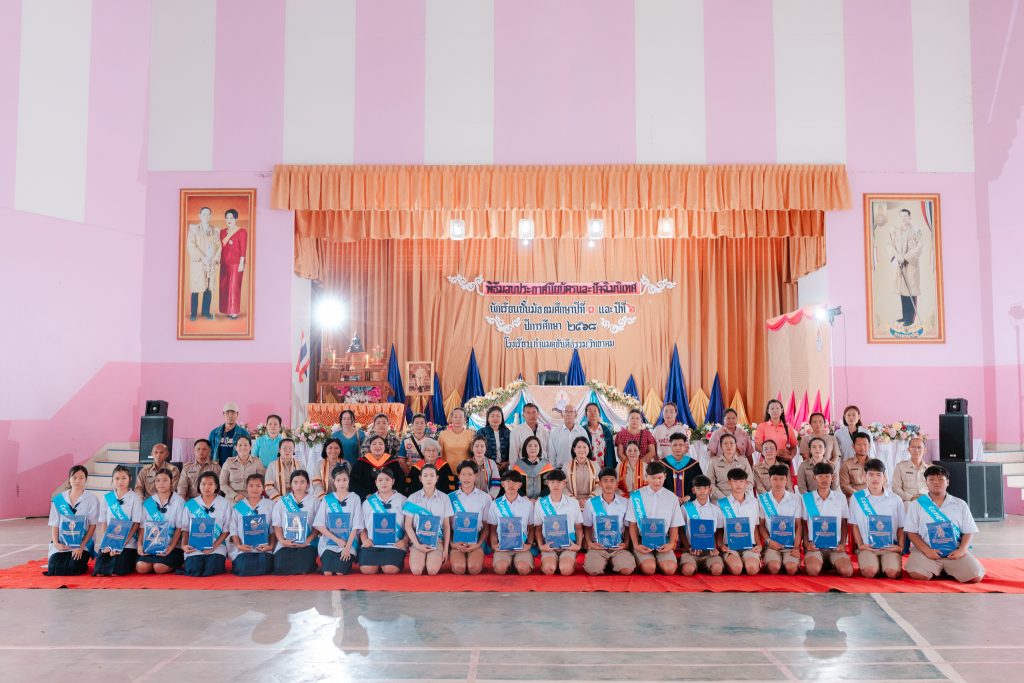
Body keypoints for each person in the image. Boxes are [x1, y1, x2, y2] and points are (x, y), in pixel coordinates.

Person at [904, 464, 984, 583]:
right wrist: (927, 551)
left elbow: (969, 531)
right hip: (926, 551)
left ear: (947, 482)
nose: (936, 482)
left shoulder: (960, 504)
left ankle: (945, 569)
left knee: (975, 576)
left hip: (954, 551)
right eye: (931, 479)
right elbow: (911, 533)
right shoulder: (917, 505)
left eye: (941, 479)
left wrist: (961, 550)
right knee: (918, 574)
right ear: (926, 483)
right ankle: (943, 569)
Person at [849, 459, 905, 579]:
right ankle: (874, 565)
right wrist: (860, 545)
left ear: (884, 477)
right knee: (870, 572)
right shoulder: (857, 498)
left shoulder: (896, 499)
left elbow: (901, 527)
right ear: (865, 476)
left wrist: (900, 547)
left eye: (878, 475)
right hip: (868, 548)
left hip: (889, 547)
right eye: (871, 474)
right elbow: (855, 525)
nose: (875, 478)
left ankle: (885, 565)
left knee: (892, 573)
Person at [625, 461, 684, 575]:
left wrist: (671, 544)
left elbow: (674, 525)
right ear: (646, 477)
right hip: (642, 541)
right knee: (649, 569)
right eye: (653, 478)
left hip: (663, 541)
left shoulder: (672, 498)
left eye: (660, 478)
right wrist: (636, 545)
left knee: (670, 569)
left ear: (665, 476)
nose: (656, 481)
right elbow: (632, 524)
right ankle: (646, 559)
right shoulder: (636, 496)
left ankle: (657, 560)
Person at [801, 461, 854, 578]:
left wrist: (842, 543)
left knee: (847, 571)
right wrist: (806, 543)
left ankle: (831, 563)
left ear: (832, 477)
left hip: (835, 546)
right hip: (815, 546)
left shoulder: (840, 498)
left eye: (827, 476)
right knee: (812, 570)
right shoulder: (807, 498)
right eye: (820, 476)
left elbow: (844, 523)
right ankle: (823, 563)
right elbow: (803, 523)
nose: (824, 479)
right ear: (814, 478)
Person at [582, 467, 636, 576]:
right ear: (600, 484)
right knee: (593, 570)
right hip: (598, 547)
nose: (609, 484)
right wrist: (590, 543)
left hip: (618, 547)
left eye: (612, 481)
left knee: (627, 570)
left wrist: (626, 544)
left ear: (616, 483)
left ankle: (613, 561)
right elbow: (587, 526)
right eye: (605, 481)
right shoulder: (591, 503)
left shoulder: (625, 502)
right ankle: (605, 561)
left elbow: (627, 526)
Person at [46, 465, 99, 576]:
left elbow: (92, 525)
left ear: (86, 480)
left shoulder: (92, 499)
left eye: (81, 478)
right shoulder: (59, 499)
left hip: (82, 543)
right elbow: (55, 523)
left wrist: (81, 546)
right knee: (53, 569)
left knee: (73, 568)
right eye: (74, 477)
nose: (77, 481)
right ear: (69, 479)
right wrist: (56, 543)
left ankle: (82, 561)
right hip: (63, 542)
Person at [403, 464, 454, 576]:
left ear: (437, 478)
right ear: (420, 478)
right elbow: (407, 525)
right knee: (416, 571)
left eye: (432, 475)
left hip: (437, 541)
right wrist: (417, 544)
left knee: (432, 570)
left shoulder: (444, 498)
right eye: (425, 475)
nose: (429, 478)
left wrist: (446, 549)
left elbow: (446, 526)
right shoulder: (412, 498)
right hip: (418, 540)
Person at [93, 465, 142, 576]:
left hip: (128, 542)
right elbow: (104, 522)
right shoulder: (107, 498)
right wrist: (106, 542)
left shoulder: (135, 498)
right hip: (110, 539)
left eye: (124, 478)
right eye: (117, 478)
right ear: (113, 480)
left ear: (130, 479)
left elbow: (136, 524)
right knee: (99, 571)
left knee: (118, 570)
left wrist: (124, 541)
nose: (120, 481)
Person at [313, 465, 363, 576]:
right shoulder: (327, 499)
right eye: (338, 480)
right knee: (327, 573)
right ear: (334, 482)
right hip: (329, 543)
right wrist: (337, 540)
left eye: (344, 480)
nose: (341, 483)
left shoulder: (355, 498)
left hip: (348, 543)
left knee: (340, 572)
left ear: (349, 480)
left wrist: (347, 547)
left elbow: (356, 526)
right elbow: (319, 524)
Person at [136, 468, 186, 575]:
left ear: (171, 482)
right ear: (154, 483)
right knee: (141, 567)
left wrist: (170, 547)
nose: (161, 483)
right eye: (158, 480)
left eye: (165, 480)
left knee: (159, 568)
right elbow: (142, 528)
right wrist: (140, 545)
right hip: (151, 545)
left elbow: (179, 529)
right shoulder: (148, 502)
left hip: (171, 546)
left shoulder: (179, 502)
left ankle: (177, 562)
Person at [358, 469, 409, 574]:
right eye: (380, 480)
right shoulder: (368, 502)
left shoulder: (403, 500)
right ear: (376, 482)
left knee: (390, 569)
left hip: (395, 544)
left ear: (393, 481)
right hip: (372, 544)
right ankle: (379, 563)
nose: (384, 483)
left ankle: (386, 563)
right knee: (367, 570)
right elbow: (361, 526)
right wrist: (365, 540)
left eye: (387, 479)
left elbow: (410, 525)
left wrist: (404, 541)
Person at [181, 471, 232, 577]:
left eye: (210, 484)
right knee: (194, 569)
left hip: (217, 546)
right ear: (199, 485)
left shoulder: (224, 503)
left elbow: (226, 531)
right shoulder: (190, 504)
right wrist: (184, 545)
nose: (206, 487)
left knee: (212, 568)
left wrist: (213, 547)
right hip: (195, 546)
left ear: (216, 486)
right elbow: (185, 529)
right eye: (203, 484)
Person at [533, 470, 583, 576]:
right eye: (552, 482)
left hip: (568, 545)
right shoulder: (540, 503)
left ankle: (566, 562)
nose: (556, 485)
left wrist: (578, 545)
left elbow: (578, 526)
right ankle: (550, 562)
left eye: (559, 482)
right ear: (548, 483)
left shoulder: (573, 503)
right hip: (549, 545)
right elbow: (538, 528)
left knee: (566, 570)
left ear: (564, 483)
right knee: (549, 569)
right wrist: (541, 546)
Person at [756, 464, 803, 576]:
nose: (778, 483)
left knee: (791, 569)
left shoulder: (795, 499)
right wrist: (768, 541)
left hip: (790, 545)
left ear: (787, 480)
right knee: (774, 568)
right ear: (769, 479)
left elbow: (799, 525)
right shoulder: (763, 499)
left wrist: (796, 547)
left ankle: (787, 561)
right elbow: (761, 525)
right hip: (771, 545)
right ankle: (774, 561)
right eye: (775, 479)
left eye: (782, 479)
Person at [271, 470, 320, 575]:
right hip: (286, 542)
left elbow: (317, 527)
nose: (299, 485)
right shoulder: (282, 501)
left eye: (302, 482)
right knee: (280, 565)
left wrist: (307, 541)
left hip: (307, 543)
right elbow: (277, 525)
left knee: (305, 565)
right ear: (291, 484)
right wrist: (282, 541)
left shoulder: (315, 501)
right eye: (295, 482)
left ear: (308, 484)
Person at [448, 461, 493, 575]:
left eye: (470, 474)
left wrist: (478, 544)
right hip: (457, 541)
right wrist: (452, 544)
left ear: (475, 476)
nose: (466, 478)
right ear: (459, 476)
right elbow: (446, 526)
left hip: (476, 541)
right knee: (459, 569)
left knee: (473, 569)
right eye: (463, 474)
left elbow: (486, 527)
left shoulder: (485, 498)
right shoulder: (450, 498)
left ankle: (477, 557)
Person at [488, 470, 535, 575]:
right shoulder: (495, 504)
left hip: (522, 546)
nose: (511, 485)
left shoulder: (528, 504)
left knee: (523, 570)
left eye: (515, 482)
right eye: (508, 481)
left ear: (520, 485)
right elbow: (493, 529)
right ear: (502, 484)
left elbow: (531, 528)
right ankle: (509, 564)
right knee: (500, 569)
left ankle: (517, 563)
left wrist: (529, 544)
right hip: (503, 547)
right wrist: (494, 545)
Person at [229, 473, 276, 576]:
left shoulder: (270, 505)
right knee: (244, 567)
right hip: (244, 549)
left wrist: (270, 546)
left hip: (263, 549)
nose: (254, 489)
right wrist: (239, 546)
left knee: (265, 565)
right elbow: (233, 530)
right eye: (251, 486)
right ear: (246, 488)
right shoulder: (239, 507)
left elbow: (273, 529)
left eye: (258, 486)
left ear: (263, 488)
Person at [718, 469, 763, 575]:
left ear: (746, 483)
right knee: (736, 569)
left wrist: (759, 544)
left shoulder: (754, 502)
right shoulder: (722, 503)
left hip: (749, 546)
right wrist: (720, 545)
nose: (738, 484)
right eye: (735, 481)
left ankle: (751, 560)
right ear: (729, 483)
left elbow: (755, 526)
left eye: (741, 481)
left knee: (752, 569)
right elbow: (720, 528)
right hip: (730, 546)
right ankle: (733, 561)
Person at [679, 475, 725, 576]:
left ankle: (707, 565)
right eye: (698, 488)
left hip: (710, 552)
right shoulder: (686, 508)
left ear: (710, 490)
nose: (702, 491)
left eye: (705, 488)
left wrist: (717, 547)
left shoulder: (716, 510)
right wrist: (687, 547)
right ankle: (694, 564)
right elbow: (680, 529)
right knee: (688, 570)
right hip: (691, 550)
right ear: (693, 490)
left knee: (717, 570)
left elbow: (719, 530)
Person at [890, 206, 925, 329]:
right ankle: (905, 316)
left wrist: (905, 257)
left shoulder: (916, 231)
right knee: (903, 291)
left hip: (910, 265)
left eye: (906, 216)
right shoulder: (895, 231)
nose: (903, 218)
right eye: (901, 216)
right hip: (899, 265)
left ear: (910, 217)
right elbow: (890, 245)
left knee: (911, 291)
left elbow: (919, 248)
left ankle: (910, 319)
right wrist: (897, 256)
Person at [186, 206, 220, 321]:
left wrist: (214, 259)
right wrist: (202, 257)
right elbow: (191, 245)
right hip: (199, 262)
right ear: (200, 216)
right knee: (196, 287)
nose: (206, 216)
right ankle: (193, 313)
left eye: (208, 214)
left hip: (210, 262)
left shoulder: (215, 230)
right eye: (204, 214)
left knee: (208, 288)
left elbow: (219, 246)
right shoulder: (194, 229)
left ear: (210, 216)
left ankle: (206, 311)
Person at [351, 434, 406, 500]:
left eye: (381, 444)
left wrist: (391, 494)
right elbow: (353, 482)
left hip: (390, 499)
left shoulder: (393, 463)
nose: (377, 446)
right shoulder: (361, 463)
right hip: (367, 499)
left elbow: (400, 481)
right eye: (374, 444)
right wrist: (366, 494)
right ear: (370, 447)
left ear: (385, 447)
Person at [218, 208, 247, 318]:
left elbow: (243, 249)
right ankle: (226, 309)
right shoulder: (222, 232)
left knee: (234, 287)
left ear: (236, 219)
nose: (229, 220)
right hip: (224, 263)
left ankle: (234, 311)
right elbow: (219, 248)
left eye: (231, 218)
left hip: (235, 264)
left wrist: (241, 263)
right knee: (224, 287)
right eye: (227, 218)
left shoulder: (242, 232)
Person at [220, 435, 266, 502]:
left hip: (252, 497)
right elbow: (222, 484)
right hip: (232, 498)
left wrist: (252, 495)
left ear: (250, 447)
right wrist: (235, 496)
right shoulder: (228, 462)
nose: (243, 447)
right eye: (240, 445)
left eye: (245, 445)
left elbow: (262, 482)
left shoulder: (257, 462)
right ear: (235, 448)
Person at [707, 433, 753, 500]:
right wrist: (723, 498)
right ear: (721, 446)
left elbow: (750, 482)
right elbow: (710, 483)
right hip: (720, 499)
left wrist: (740, 496)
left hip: (740, 498)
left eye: (731, 443)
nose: (729, 446)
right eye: (725, 443)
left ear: (735, 445)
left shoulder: (743, 461)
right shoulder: (714, 462)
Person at [661, 432, 702, 504]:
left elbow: (700, 484)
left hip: (689, 503)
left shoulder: (693, 465)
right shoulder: (662, 464)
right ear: (670, 446)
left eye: (681, 445)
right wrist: (671, 497)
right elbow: (659, 485)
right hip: (667, 502)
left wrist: (690, 496)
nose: (678, 448)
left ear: (685, 446)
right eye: (675, 445)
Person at [754, 399, 798, 465]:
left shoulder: (788, 427)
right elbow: (757, 446)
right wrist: (773, 453)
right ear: (768, 411)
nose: (775, 411)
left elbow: (793, 447)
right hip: (767, 461)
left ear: (782, 410)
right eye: (772, 408)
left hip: (784, 462)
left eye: (777, 408)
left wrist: (791, 456)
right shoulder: (762, 426)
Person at [512, 436, 555, 501]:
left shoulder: (546, 465)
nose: (533, 448)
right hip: (522, 500)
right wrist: (524, 497)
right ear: (525, 448)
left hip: (543, 500)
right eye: (529, 446)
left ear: (539, 448)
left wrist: (540, 498)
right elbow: (514, 484)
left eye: (535, 446)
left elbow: (550, 484)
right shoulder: (518, 465)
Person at [563, 436, 600, 509]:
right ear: (574, 449)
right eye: (579, 447)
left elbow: (600, 486)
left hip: (591, 501)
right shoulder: (566, 465)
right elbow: (562, 486)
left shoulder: (595, 465)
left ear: (588, 449)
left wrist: (589, 500)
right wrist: (574, 500)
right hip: (571, 501)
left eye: (584, 447)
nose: (582, 450)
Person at [892, 435, 929, 507]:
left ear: (924, 450)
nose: (916, 450)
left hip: (927, 501)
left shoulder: (929, 469)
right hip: (909, 501)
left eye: (919, 447)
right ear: (908, 449)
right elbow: (896, 488)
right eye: (913, 447)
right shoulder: (900, 467)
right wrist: (911, 498)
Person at [548, 404, 588, 469]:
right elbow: (551, 453)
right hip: (560, 469)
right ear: (562, 415)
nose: (569, 414)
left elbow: (587, 450)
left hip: (579, 468)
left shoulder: (582, 431)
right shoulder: (555, 432)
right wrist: (553, 469)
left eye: (571, 412)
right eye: (566, 412)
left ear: (575, 415)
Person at [582, 402, 616, 469]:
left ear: (599, 413)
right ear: (586, 414)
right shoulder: (582, 430)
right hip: (589, 468)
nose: (593, 413)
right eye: (590, 411)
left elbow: (611, 450)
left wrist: (612, 467)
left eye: (595, 411)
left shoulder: (606, 430)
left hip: (605, 467)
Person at [839, 433, 872, 497]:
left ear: (869, 446)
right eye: (859, 444)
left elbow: (883, 482)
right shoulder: (846, 464)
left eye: (865, 444)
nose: (862, 447)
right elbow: (844, 486)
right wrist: (859, 496)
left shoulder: (875, 463)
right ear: (853, 446)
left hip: (872, 496)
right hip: (854, 497)